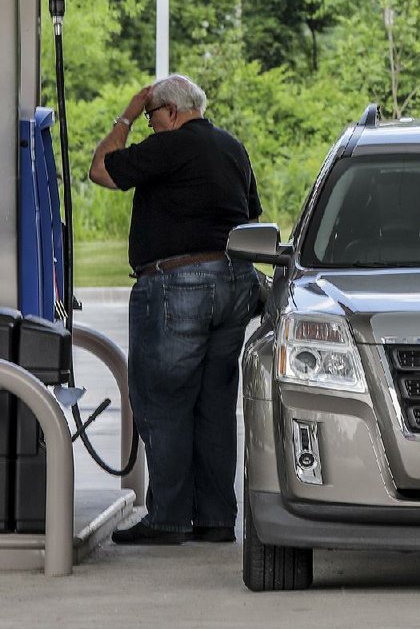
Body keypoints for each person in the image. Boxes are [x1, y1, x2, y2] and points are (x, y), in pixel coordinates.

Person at [89, 74, 262, 545]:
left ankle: (167, 518)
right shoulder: (232, 148)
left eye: (150, 118)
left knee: (163, 401)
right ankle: (215, 519)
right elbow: (250, 214)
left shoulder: (170, 145)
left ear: (169, 111)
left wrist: (124, 113)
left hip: (177, 284)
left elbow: (101, 169)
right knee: (214, 406)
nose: (148, 126)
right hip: (234, 283)